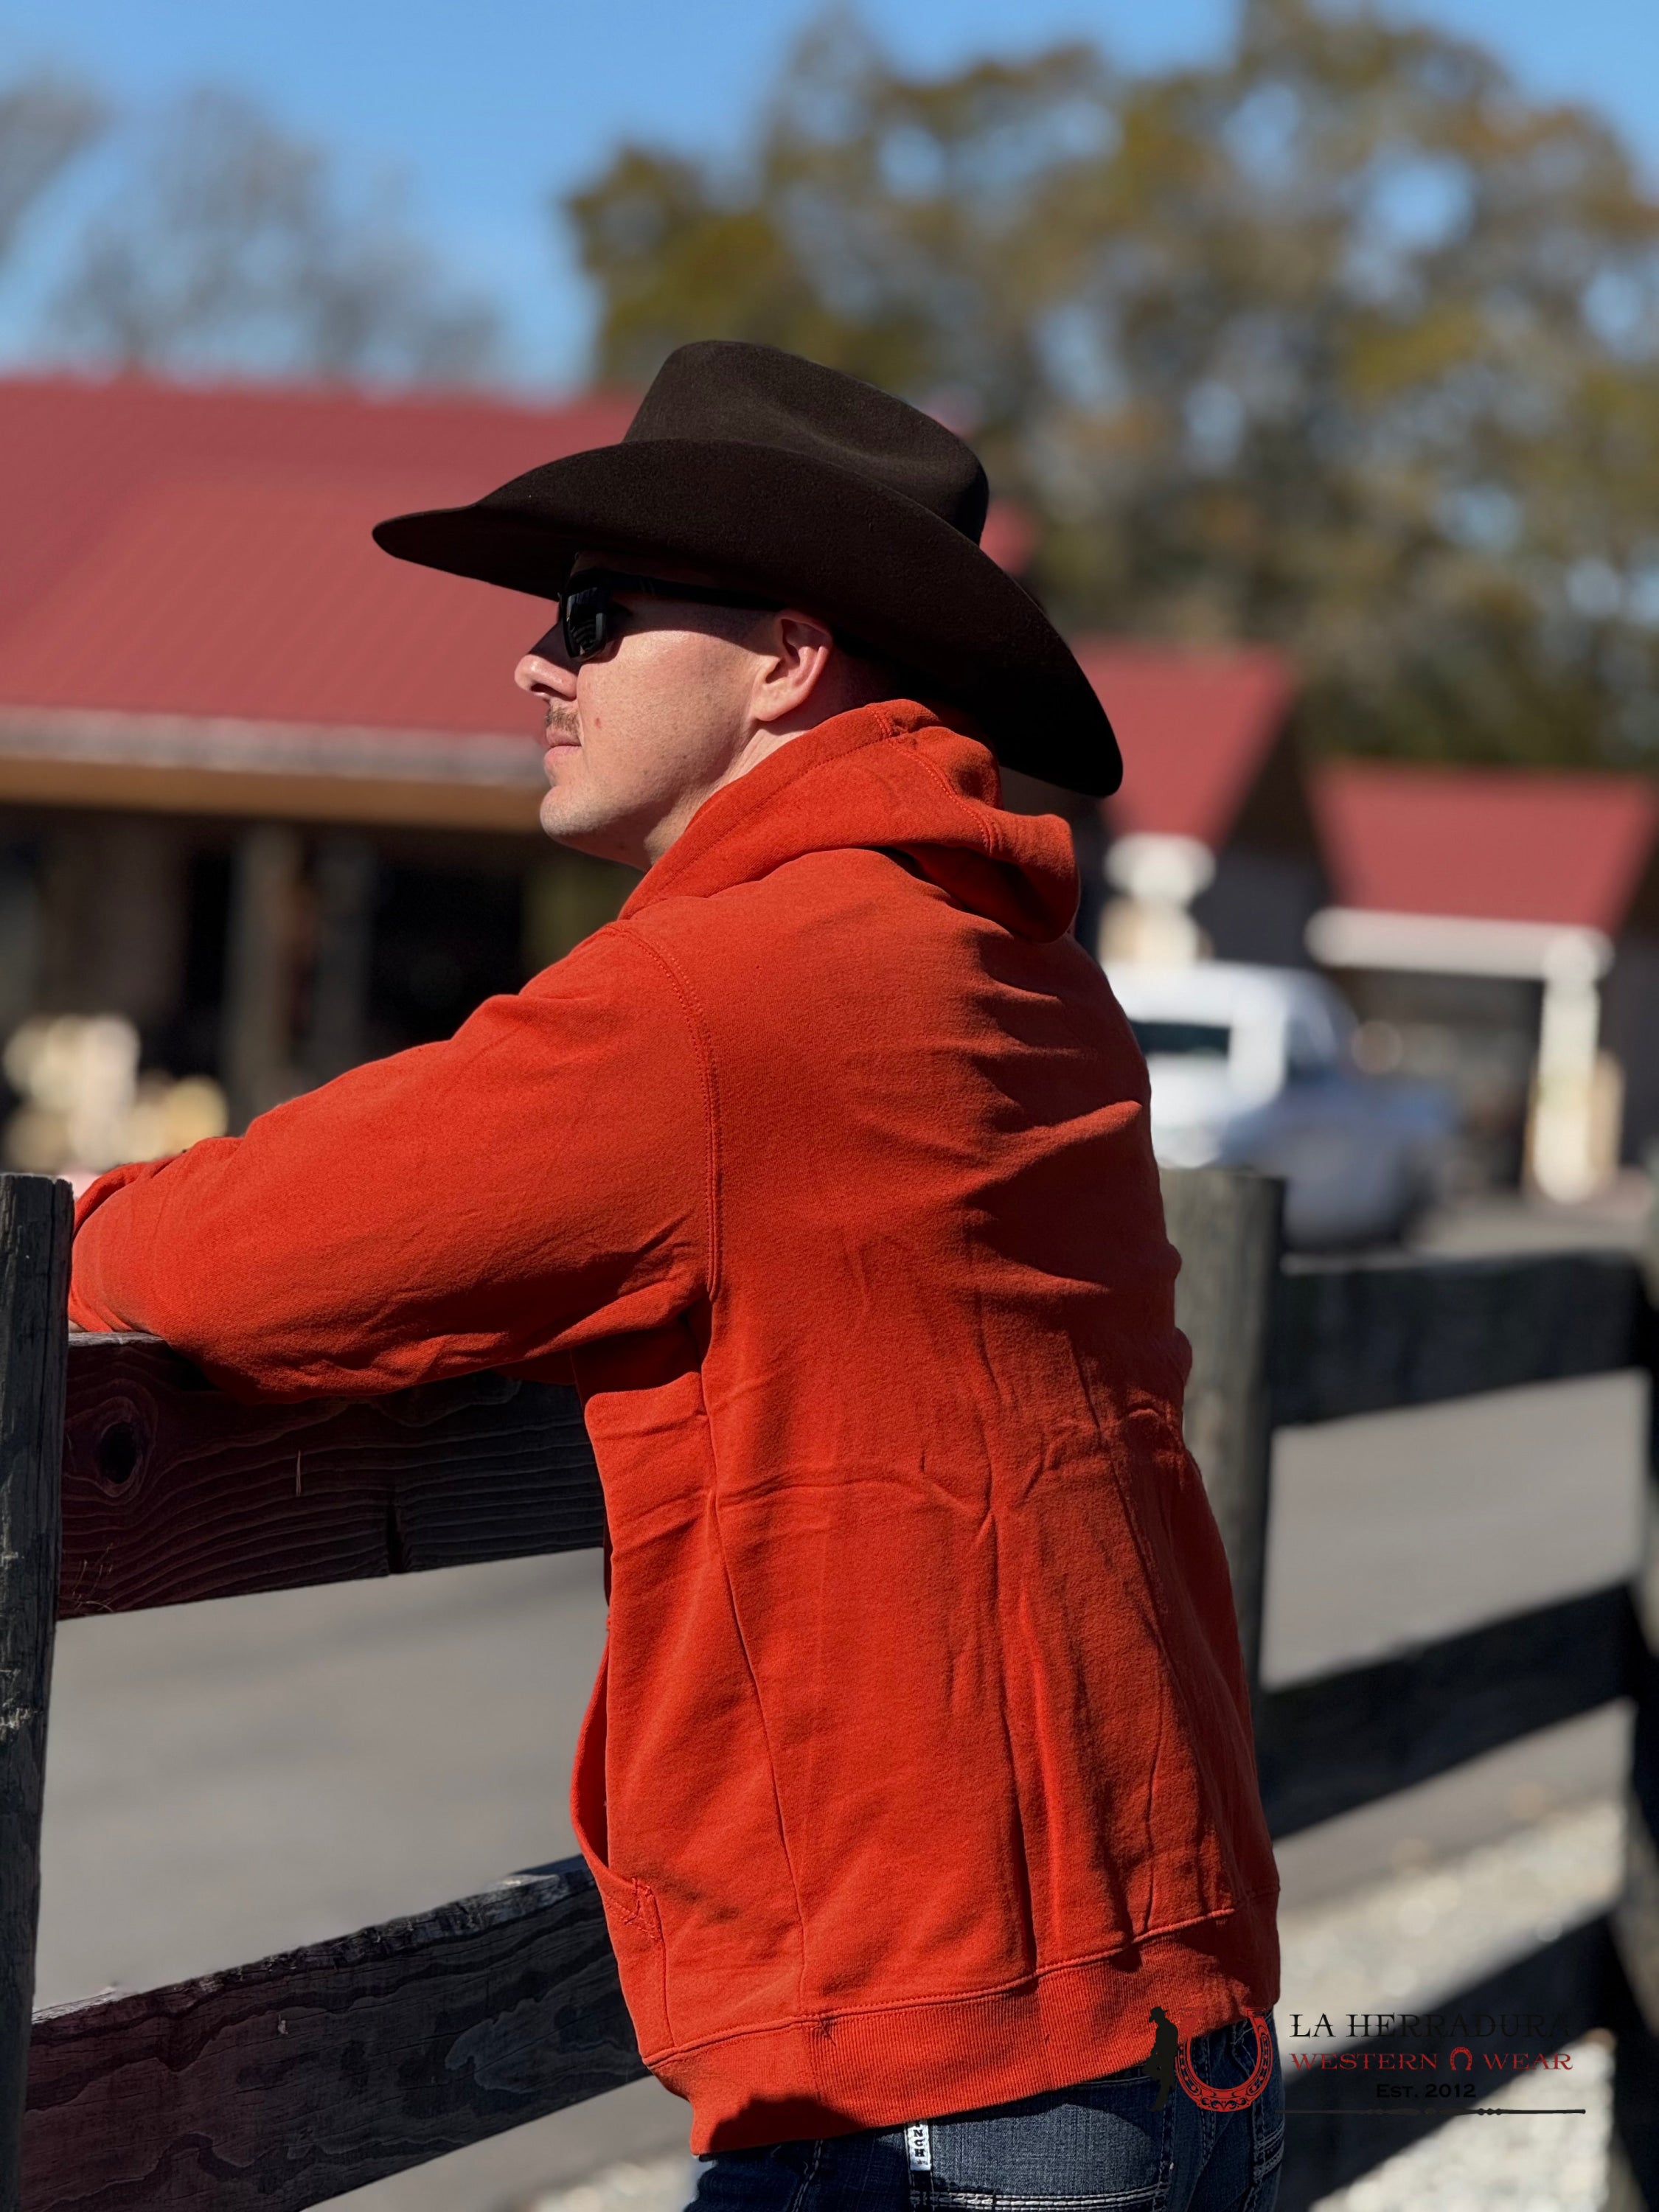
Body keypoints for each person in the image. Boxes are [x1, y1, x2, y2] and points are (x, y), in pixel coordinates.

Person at [69, 341, 1283, 2209]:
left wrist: (68, 1220)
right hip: (1165, 2022)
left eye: (596, 614)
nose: (536, 663)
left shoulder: (729, 999)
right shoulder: (1021, 969)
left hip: (937, 2076)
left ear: (786, 658)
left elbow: (244, 1264)